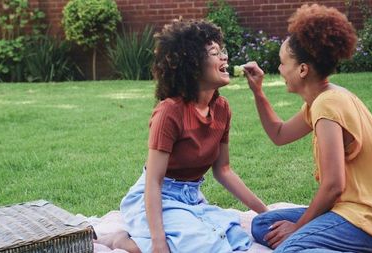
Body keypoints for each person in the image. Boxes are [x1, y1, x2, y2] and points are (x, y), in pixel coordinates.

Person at [243, 4, 372, 253]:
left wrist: (298, 226)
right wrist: (258, 91)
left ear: (302, 70)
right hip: (351, 207)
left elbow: (333, 185)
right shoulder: (321, 100)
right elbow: (279, 134)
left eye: (282, 63)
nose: (279, 70)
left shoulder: (328, 105)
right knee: (263, 225)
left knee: (288, 248)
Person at [96, 19, 268, 253]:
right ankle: (119, 240)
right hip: (155, 198)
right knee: (201, 246)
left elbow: (223, 171)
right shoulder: (170, 112)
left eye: (223, 51)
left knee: (234, 237)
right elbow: (153, 182)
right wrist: (158, 242)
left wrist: (267, 213)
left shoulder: (222, 109)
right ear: (193, 64)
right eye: (214, 53)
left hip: (190, 198)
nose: (224, 58)